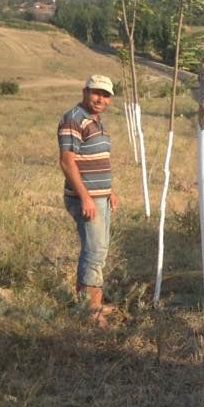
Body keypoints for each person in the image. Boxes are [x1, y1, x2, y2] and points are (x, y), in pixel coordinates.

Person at [57, 75, 120, 325]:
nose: (100, 99)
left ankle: (96, 304)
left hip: (100, 198)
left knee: (99, 251)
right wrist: (85, 197)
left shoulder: (96, 121)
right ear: (85, 91)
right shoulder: (73, 119)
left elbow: (98, 158)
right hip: (87, 200)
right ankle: (90, 313)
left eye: (105, 95)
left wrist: (109, 191)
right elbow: (67, 161)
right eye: (96, 93)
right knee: (93, 253)